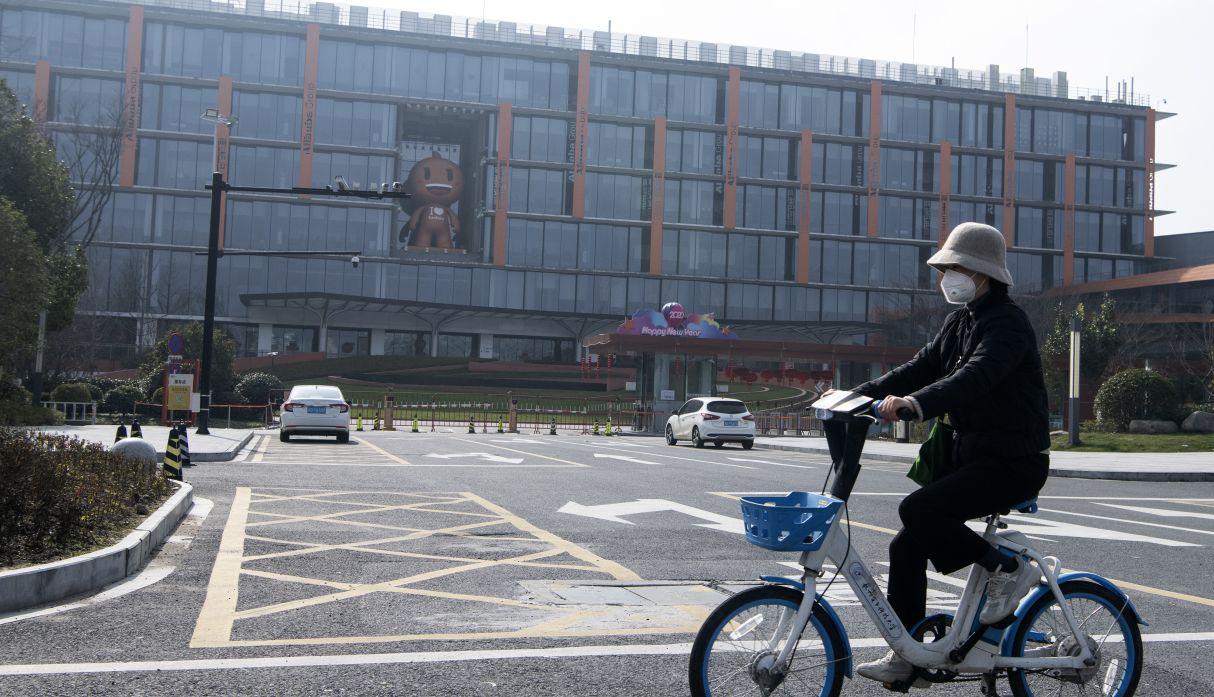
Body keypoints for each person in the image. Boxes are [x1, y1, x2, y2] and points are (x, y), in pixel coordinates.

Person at [850, 222, 1052, 686]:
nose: (946, 276)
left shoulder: (1007, 323)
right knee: (906, 544)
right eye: (945, 268)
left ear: (982, 273)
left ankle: (1006, 568)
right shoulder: (960, 321)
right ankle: (909, 657)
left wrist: (916, 404)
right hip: (976, 457)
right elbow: (921, 366)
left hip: (1013, 462)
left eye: (955, 267)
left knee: (917, 509)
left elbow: (976, 376)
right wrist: (856, 395)